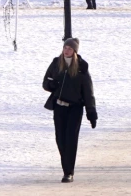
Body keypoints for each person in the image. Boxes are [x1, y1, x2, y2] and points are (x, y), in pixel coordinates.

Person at [42, 38, 97, 183]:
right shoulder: (56, 63)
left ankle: (68, 172)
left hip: (75, 108)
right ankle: (66, 167)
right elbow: (45, 83)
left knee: (70, 139)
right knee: (60, 139)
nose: (66, 50)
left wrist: (91, 112)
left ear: (75, 51)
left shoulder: (81, 67)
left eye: (70, 49)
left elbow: (88, 91)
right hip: (59, 107)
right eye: (65, 47)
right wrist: (51, 84)